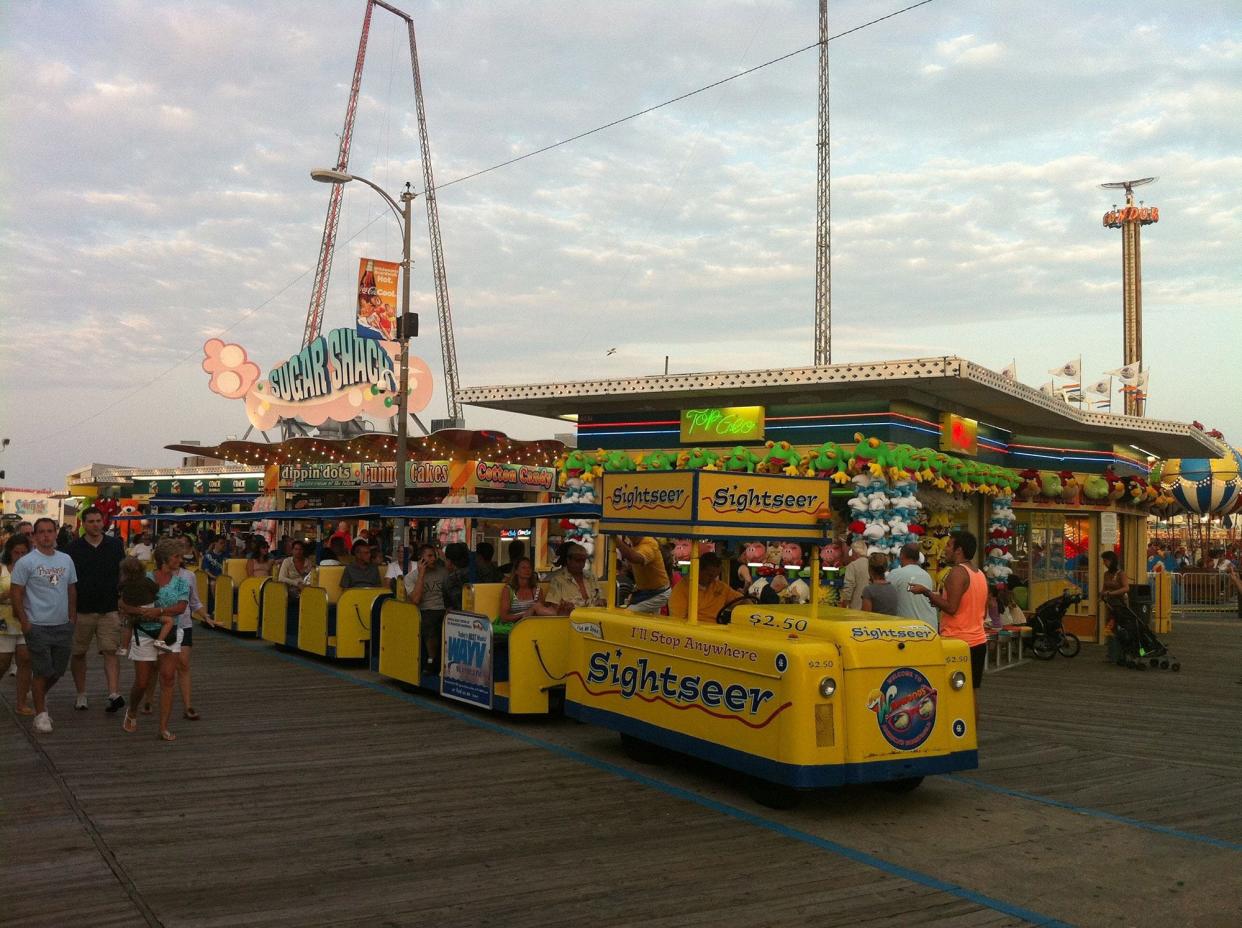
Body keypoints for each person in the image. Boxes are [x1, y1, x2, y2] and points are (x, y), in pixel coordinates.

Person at [9, 518, 79, 734]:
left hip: (62, 624)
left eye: (50, 531)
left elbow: (71, 588)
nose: (46, 535)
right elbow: (16, 593)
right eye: (41, 532)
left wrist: (72, 616)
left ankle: (37, 693)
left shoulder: (66, 559)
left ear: (56, 533)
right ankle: (41, 715)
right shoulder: (26, 562)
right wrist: (25, 622)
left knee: (57, 670)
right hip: (37, 624)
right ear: (35, 536)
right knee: (41, 670)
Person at [908, 531, 988, 709]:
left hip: (957, 642)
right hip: (978, 640)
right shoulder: (979, 574)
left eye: (950, 545)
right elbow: (980, 607)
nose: (946, 548)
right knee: (971, 693)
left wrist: (926, 592)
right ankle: (970, 735)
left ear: (959, 550)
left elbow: (952, 608)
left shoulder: (957, 573)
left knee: (950, 695)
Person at [119, 539, 187, 741]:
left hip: (170, 631)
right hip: (145, 632)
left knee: (168, 678)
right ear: (165, 558)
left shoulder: (182, 582)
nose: (180, 560)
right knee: (142, 682)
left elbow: (182, 608)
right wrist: (138, 611)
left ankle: (163, 727)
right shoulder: (145, 577)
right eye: (176, 556)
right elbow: (123, 602)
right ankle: (132, 710)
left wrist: (160, 611)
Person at [66, 506, 127, 713]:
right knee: (79, 653)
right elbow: (69, 582)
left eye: (98, 521)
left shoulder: (115, 545)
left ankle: (113, 693)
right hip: (82, 609)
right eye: (90, 521)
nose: (95, 525)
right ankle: (81, 693)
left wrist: (122, 600)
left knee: (110, 651)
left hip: (109, 608)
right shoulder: (73, 548)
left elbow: (122, 574)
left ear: (103, 522)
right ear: (83, 524)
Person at [0, 534, 34, 715]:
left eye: (24, 552)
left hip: (26, 619)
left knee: (25, 659)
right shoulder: (2, 569)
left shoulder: (33, 569)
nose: (20, 556)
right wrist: (6, 595)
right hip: (4, 621)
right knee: (3, 662)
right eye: (16, 552)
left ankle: (21, 703)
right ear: (9, 552)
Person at [406, 545, 449, 670]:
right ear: (421, 558)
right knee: (430, 624)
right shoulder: (411, 577)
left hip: (444, 608)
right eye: (429, 556)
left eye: (434, 555)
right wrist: (421, 575)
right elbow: (416, 599)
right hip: (426, 610)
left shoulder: (443, 572)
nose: (433, 559)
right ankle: (432, 659)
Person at [667, 552, 742, 623]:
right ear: (698, 570)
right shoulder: (682, 589)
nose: (712, 579)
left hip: (718, 629)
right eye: (709, 575)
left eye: (716, 576)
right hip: (695, 631)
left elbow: (741, 600)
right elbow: (677, 620)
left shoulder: (720, 587)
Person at [616, 535, 671, 613]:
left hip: (658, 593)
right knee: (651, 620)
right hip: (644, 591)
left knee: (629, 613)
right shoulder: (633, 543)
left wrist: (618, 542)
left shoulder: (649, 544)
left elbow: (635, 558)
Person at [544, 542, 603, 614]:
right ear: (568, 560)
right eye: (577, 560)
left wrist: (602, 602)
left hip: (594, 619)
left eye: (583, 561)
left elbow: (601, 599)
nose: (581, 564)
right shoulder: (557, 580)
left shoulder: (592, 577)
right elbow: (555, 608)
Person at [887, 543, 938, 625]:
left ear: (902, 555)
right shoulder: (926, 575)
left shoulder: (895, 574)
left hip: (909, 629)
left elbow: (885, 598)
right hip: (930, 626)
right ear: (918, 558)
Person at [498, 557, 549, 625]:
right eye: (523, 568)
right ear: (516, 571)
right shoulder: (508, 590)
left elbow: (541, 615)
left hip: (533, 626)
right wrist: (525, 615)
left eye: (529, 568)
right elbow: (504, 617)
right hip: (513, 628)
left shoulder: (538, 591)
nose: (527, 570)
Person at [1100, 550, 1131, 664]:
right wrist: (1102, 594)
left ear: (1112, 561)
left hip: (1120, 605)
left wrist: (1112, 593)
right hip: (1110, 605)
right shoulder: (1106, 574)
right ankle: (1111, 654)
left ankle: (1122, 654)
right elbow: (1104, 587)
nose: (1104, 563)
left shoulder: (1120, 574)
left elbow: (1126, 588)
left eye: (1106, 561)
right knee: (1110, 629)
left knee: (1121, 629)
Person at [840, 540, 871, 610]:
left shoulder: (852, 566)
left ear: (854, 552)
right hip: (870, 608)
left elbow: (849, 586)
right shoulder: (872, 564)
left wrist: (845, 603)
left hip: (856, 607)